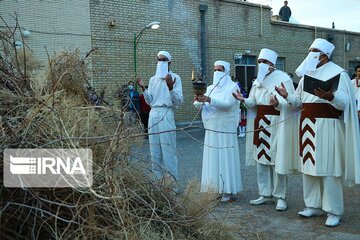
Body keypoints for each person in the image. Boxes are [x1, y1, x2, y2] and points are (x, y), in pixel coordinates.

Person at [275, 38, 360, 227]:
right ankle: (313, 205)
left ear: (323, 55)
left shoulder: (339, 73)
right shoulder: (307, 75)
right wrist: (286, 95)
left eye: (312, 51)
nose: (309, 54)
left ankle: (333, 210)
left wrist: (330, 96)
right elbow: (298, 102)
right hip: (307, 125)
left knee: (328, 169)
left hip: (328, 126)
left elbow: (345, 103)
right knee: (309, 168)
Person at [233, 48, 298, 211]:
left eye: (264, 62)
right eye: (259, 62)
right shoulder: (257, 81)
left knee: (277, 159)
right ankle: (265, 193)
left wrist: (278, 103)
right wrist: (243, 99)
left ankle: (280, 196)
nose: (261, 64)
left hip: (277, 122)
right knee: (261, 159)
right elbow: (253, 102)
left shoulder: (283, 78)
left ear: (272, 64)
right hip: (260, 122)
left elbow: (294, 103)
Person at [194, 60, 242, 202]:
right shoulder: (209, 88)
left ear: (226, 71)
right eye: (215, 70)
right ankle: (213, 188)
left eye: (220, 70)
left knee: (226, 157)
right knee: (212, 158)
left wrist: (209, 100)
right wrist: (198, 101)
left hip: (225, 129)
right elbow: (199, 105)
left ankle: (227, 190)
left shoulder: (233, 87)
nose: (217, 73)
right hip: (212, 129)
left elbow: (227, 105)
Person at [137, 51, 183, 181]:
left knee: (168, 150)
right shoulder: (153, 79)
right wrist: (143, 89)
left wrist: (170, 88)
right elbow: (149, 100)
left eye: (164, 60)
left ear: (169, 62)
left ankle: (172, 184)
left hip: (166, 112)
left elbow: (179, 100)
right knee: (154, 151)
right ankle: (158, 184)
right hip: (153, 114)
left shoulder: (175, 78)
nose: (161, 62)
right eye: (159, 60)